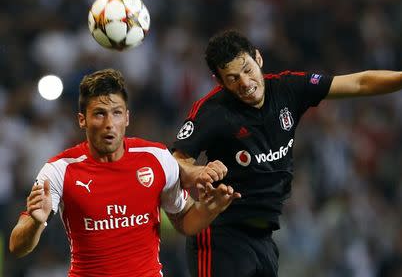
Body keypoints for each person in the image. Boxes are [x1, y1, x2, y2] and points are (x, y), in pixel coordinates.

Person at [172, 30, 402, 277]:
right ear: (219, 81)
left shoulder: (289, 89)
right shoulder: (212, 112)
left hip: (264, 237)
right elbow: (175, 162)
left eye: (247, 69)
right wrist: (197, 172)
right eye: (232, 78)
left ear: (259, 58)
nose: (245, 82)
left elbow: (359, 83)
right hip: (221, 234)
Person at [9, 69, 240, 277]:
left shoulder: (157, 158)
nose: (110, 123)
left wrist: (211, 208)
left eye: (116, 113)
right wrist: (36, 224)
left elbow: (185, 223)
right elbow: (17, 246)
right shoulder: (59, 169)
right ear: (82, 120)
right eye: (99, 113)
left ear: (127, 117)